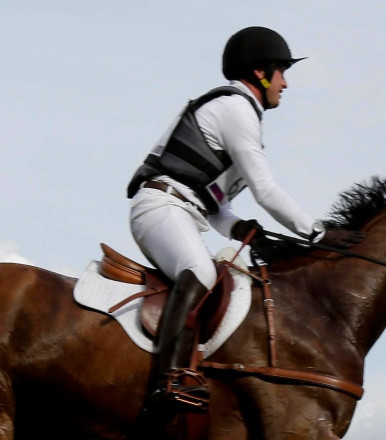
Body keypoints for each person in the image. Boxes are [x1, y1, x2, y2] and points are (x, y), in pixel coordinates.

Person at [127, 26, 322, 411]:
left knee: (222, 274)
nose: (286, 83)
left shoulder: (240, 114)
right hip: (161, 207)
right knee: (201, 272)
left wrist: (239, 228)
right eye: (282, 71)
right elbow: (266, 191)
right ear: (260, 72)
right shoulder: (237, 109)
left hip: (181, 209)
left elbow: (214, 204)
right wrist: (317, 233)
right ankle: (168, 377)